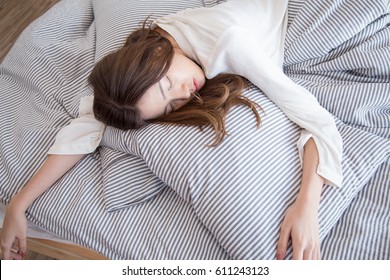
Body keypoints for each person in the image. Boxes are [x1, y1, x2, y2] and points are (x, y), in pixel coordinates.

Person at [0, 0, 343, 260]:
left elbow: (316, 119)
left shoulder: (230, 44)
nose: (186, 93)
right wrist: (19, 204)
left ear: (154, 56)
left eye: (168, 84)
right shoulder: (147, 57)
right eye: (169, 108)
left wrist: (306, 205)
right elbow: (87, 125)